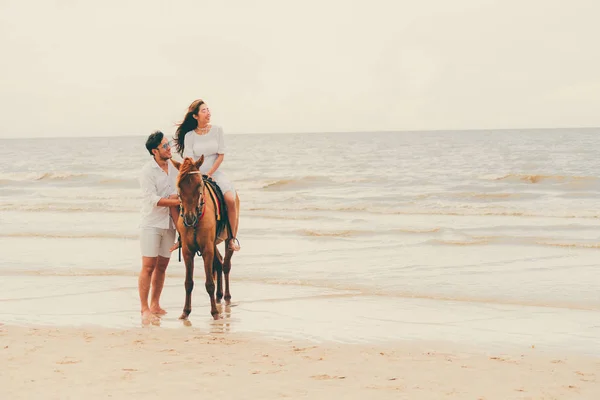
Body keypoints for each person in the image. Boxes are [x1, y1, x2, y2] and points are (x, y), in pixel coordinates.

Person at [173, 98, 240, 251]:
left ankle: (232, 239)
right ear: (195, 116)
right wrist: (196, 175)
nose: (208, 113)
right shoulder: (189, 136)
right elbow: (188, 159)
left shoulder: (217, 130)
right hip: (196, 175)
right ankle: (182, 236)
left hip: (215, 173)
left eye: (208, 110)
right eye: (204, 111)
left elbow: (221, 155)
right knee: (179, 199)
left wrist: (209, 173)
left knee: (230, 199)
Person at [138, 131, 181, 324]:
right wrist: (174, 201)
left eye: (169, 143)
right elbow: (151, 200)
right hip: (152, 223)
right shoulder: (147, 171)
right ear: (155, 151)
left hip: (170, 223)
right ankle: (144, 308)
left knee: (162, 266)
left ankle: (155, 304)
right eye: (165, 146)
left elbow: (180, 192)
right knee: (148, 266)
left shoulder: (174, 167)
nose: (169, 147)